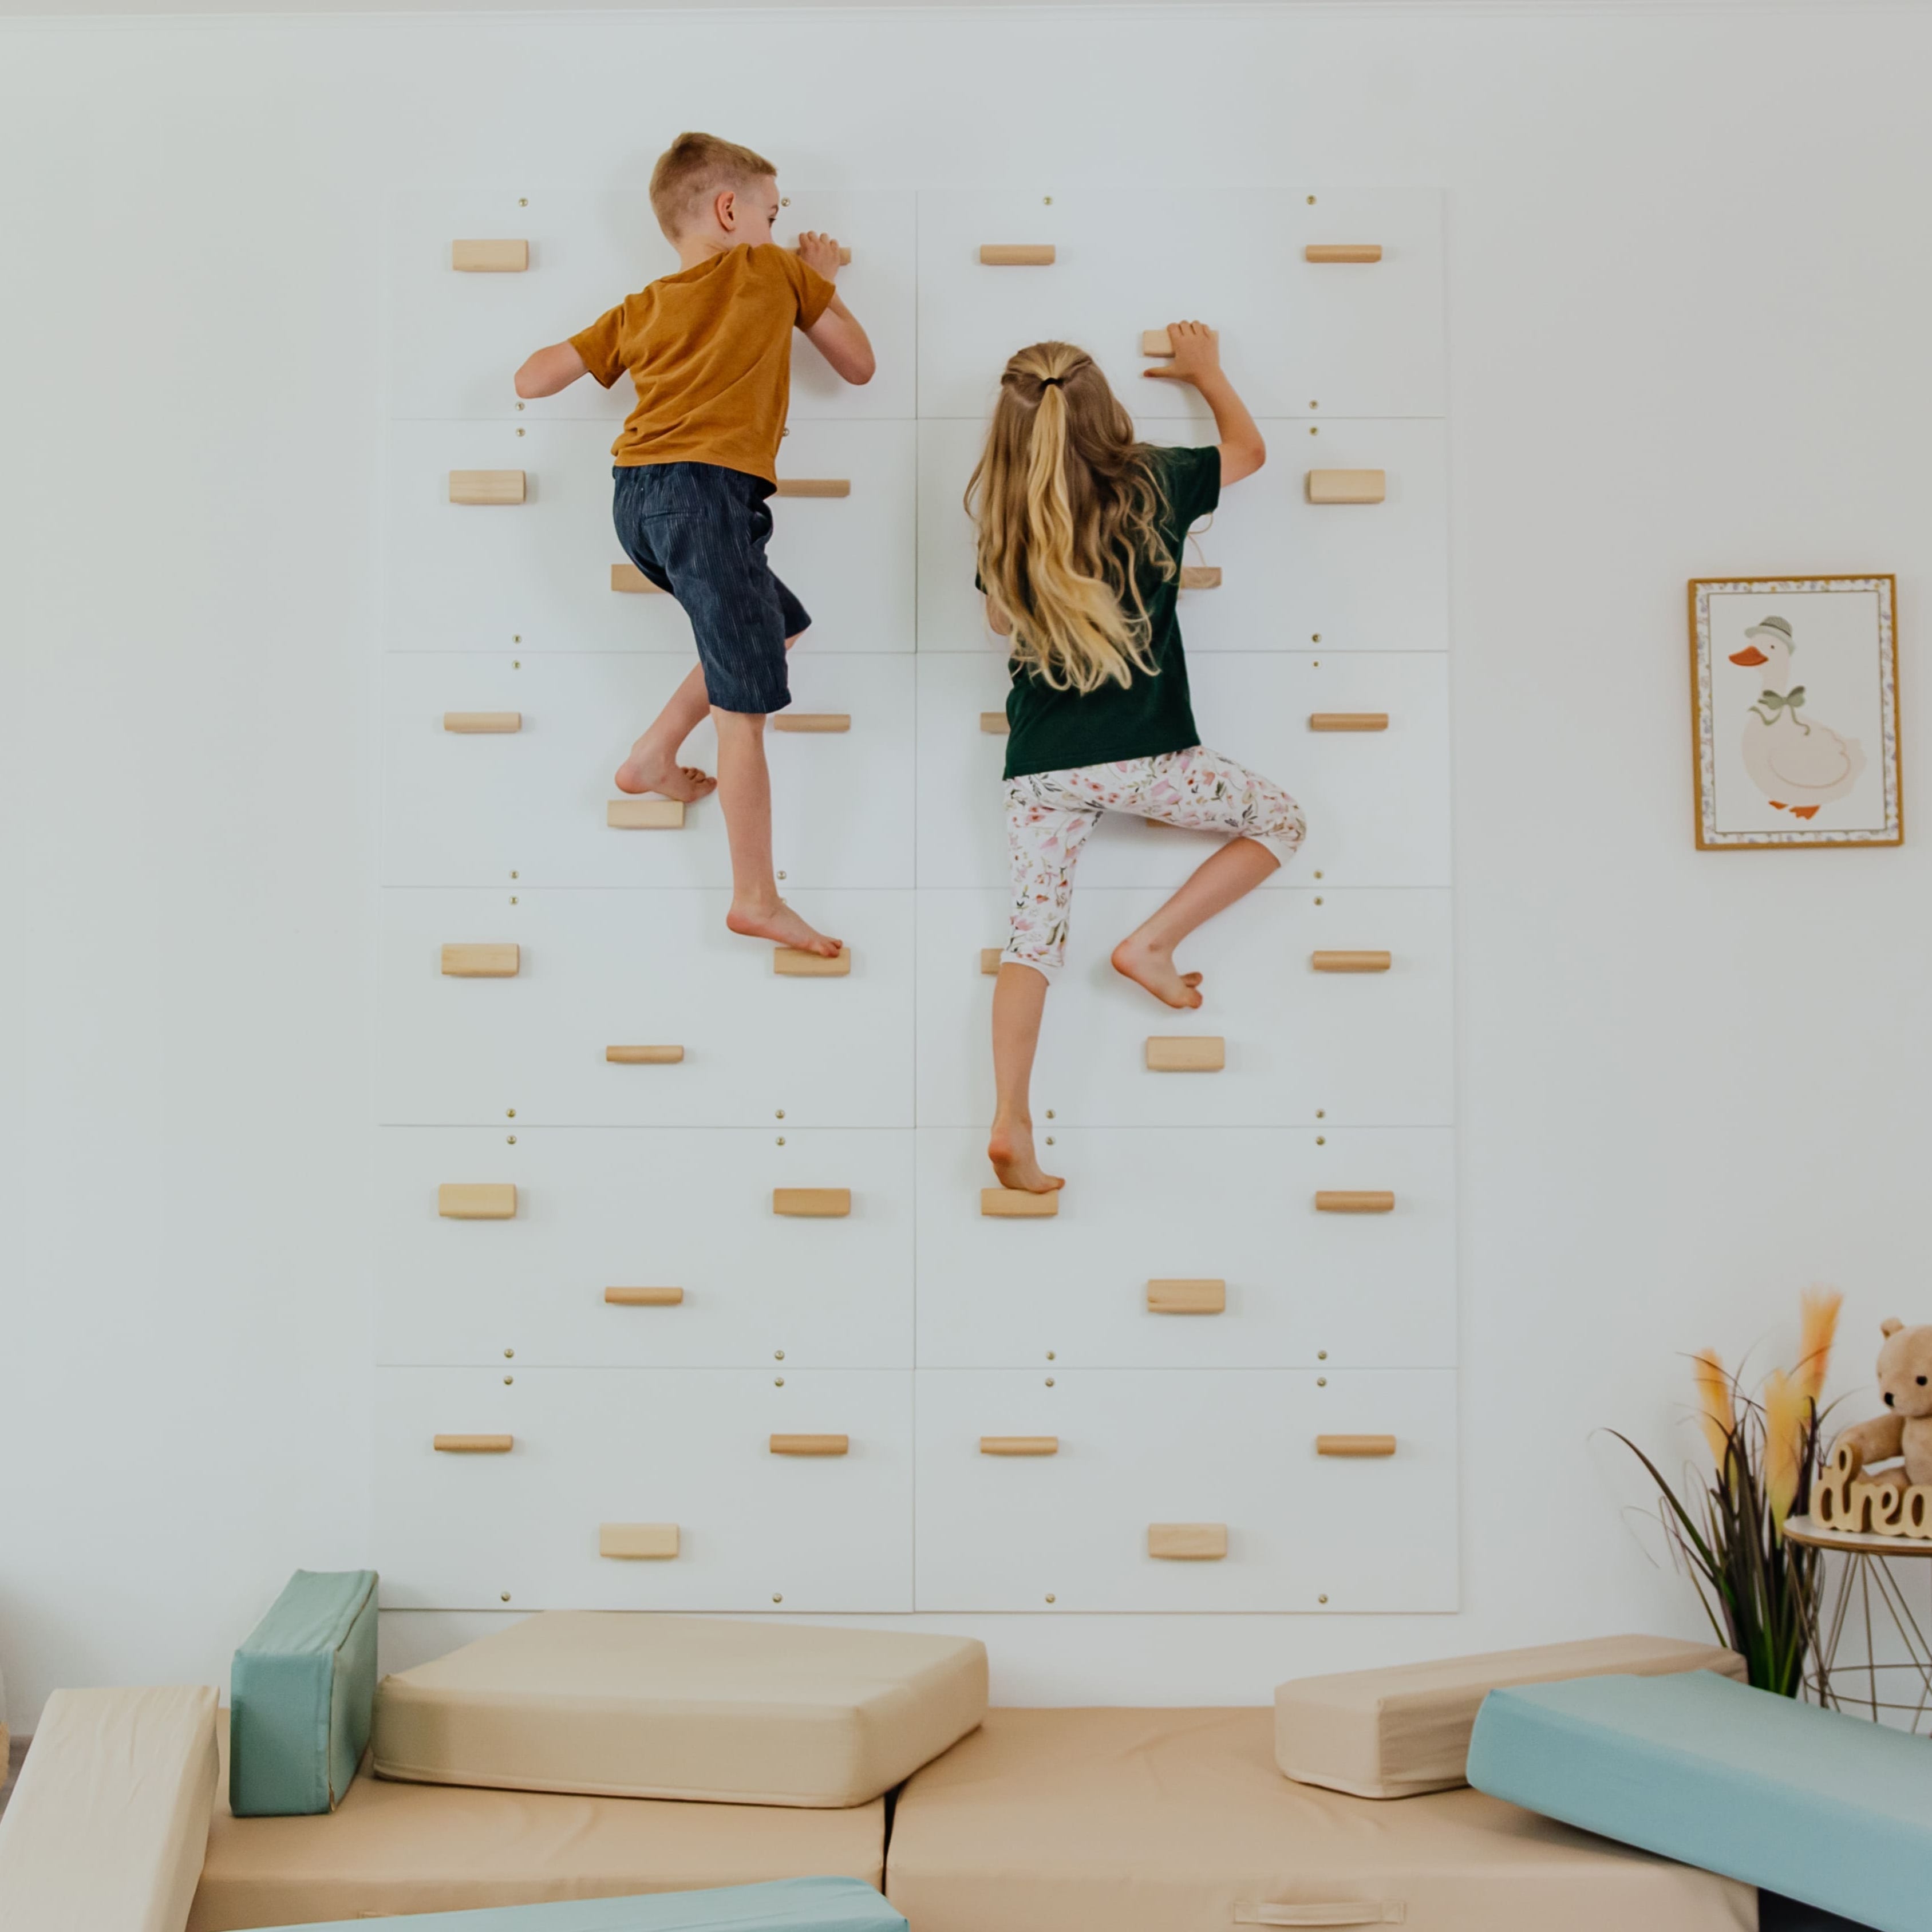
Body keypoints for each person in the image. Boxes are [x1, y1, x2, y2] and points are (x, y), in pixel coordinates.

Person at [513, 132, 874, 958]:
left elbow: (532, 378)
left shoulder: (641, 306)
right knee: (744, 710)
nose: (780, 230)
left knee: (773, 623)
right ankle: (756, 897)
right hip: (710, 497)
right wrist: (817, 276)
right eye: (773, 215)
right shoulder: (777, 270)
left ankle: (652, 755)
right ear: (730, 211)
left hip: (637, 503)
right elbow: (858, 363)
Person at [973, 326, 1306, 1193]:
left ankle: (1011, 1115)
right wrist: (1207, 372)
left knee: (1031, 943)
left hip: (1039, 767)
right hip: (1146, 755)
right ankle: (1151, 944)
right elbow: (1250, 452)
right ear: (1104, 408)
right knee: (1282, 821)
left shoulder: (1004, 514)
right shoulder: (1153, 480)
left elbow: (1000, 625)